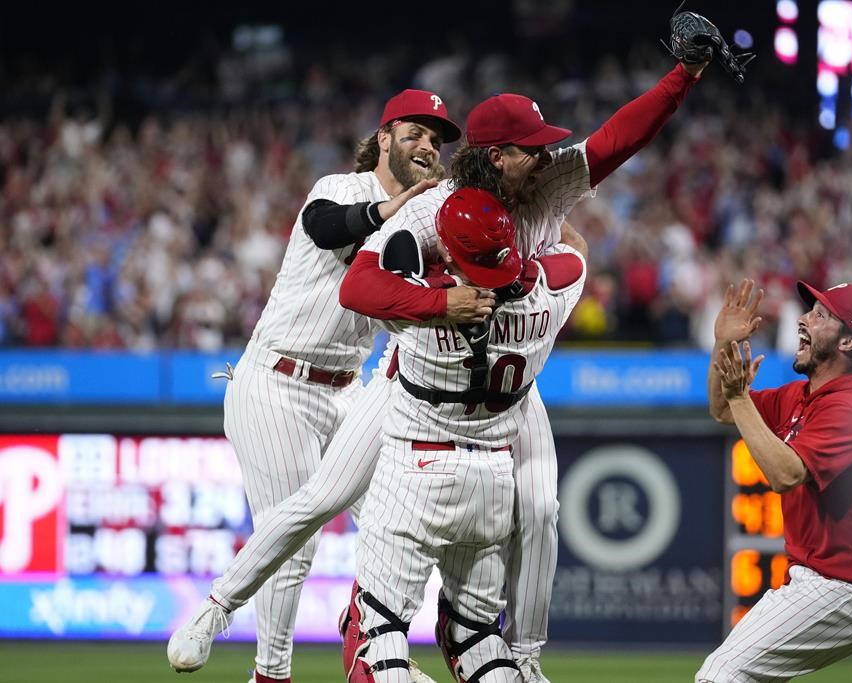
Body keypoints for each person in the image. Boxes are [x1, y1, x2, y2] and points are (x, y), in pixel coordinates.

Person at [166, 7, 720, 679]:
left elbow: (615, 140)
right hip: (411, 382)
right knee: (318, 499)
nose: (545, 154)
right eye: (529, 146)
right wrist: (443, 302)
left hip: (500, 394)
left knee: (542, 510)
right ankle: (226, 607)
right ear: (492, 155)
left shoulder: (544, 183)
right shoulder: (432, 206)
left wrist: (683, 77)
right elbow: (359, 283)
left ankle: (517, 654)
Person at [167, 89, 476, 683]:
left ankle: (373, 635)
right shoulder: (344, 188)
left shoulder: (430, 218)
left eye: (436, 139)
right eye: (415, 131)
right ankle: (269, 672)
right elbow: (326, 226)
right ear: (384, 137)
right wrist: (397, 210)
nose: (428, 144)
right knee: (296, 535)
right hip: (278, 379)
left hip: (348, 390)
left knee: (403, 514)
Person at [342, 187, 588, 683]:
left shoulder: (425, 312)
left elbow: (361, 287)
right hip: (494, 477)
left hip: (419, 469)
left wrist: (431, 271)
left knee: (376, 637)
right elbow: (575, 253)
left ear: (450, 250)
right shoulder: (555, 293)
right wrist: (539, 216)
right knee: (477, 639)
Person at [696, 279, 852, 682]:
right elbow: (723, 410)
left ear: (847, 342)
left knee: (722, 675)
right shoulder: (803, 396)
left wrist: (741, 398)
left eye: (821, 315)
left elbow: (786, 475)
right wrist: (723, 343)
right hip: (821, 578)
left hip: (850, 586)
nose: (803, 319)